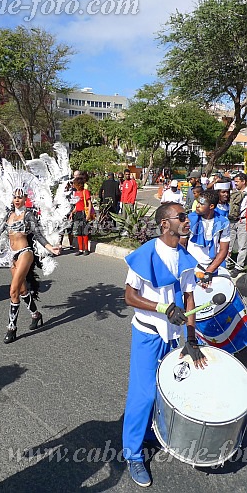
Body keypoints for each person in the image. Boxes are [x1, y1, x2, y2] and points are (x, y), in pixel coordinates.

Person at [123, 202, 207, 487]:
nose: (187, 220)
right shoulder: (145, 254)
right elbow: (130, 297)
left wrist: (192, 339)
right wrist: (161, 307)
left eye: (187, 216)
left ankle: (150, 434)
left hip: (173, 336)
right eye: (181, 217)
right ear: (164, 225)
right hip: (148, 334)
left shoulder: (185, 256)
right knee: (143, 394)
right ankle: (133, 454)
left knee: (164, 390)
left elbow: (190, 299)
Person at [0, 187, 60, 343]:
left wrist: (50, 247)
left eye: (20, 197)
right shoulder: (9, 215)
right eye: (15, 197)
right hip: (12, 255)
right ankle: (36, 315)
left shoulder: (28, 215)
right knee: (22, 290)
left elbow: (37, 234)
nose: (17, 199)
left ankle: (12, 328)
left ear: (25, 199)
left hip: (25, 252)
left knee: (13, 290)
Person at [183, 190, 230, 280]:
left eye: (201, 204)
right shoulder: (189, 219)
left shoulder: (223, 222)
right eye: (198, 202)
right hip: (191, 267)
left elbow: (224, 249)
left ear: (211, 206)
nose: (197, 206)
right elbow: (181, 244)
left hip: (211, 268)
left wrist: (209, 271)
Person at [227, 172, 247, 278]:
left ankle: (239, 266)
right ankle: (228, 262)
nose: (235, 184)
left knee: (242, 245)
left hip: (243, 221)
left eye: (237, 182)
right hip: (232, 220)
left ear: (243, 181)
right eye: (234, 182)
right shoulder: (234, 192)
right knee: (229, 243)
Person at [70, 176, 93, 256]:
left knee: (85, 232)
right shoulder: (76, 193)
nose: (74, 186)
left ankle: (86, 249)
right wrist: (72, 212)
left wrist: (89, 214)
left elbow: (89, 203)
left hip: (84, 213)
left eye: (75, 184)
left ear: (79, 184)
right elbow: (77, 205)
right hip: (78, 213)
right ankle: (80, 249)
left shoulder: (85, 192)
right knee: (79, 232)